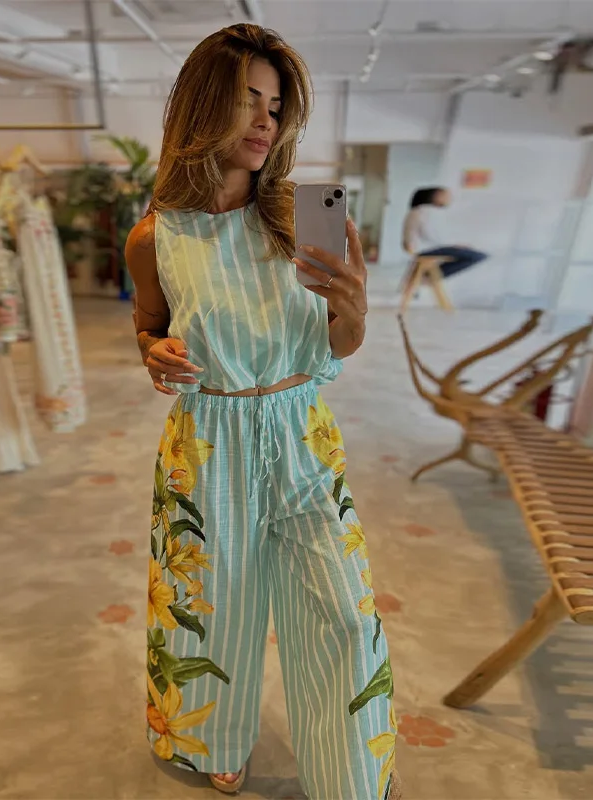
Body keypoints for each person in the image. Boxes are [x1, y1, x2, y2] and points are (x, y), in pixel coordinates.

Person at [126, 23, 399, 800]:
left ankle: (348, 774)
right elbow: (148, 326)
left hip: (301, 429)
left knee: (343, 610)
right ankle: (212, 737)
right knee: (213, 609)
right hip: (207, 438)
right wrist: (154, 353)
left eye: (275, 107)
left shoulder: (305, 216)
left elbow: (337, 344)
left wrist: (356, 310)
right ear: (200, 107)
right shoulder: (156, 236)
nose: (264, 122)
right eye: (246, 101)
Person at [403, 186, 487, 278]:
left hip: (417, 249)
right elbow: (431, 235)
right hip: (425, 249)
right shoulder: (426, 211)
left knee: (472, 254)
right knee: (478, 256)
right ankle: (430, 276)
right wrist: (454, 245)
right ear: (436, 197)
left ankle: (429, 275)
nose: (450, 199)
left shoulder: (417, 211)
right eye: (446, 196)